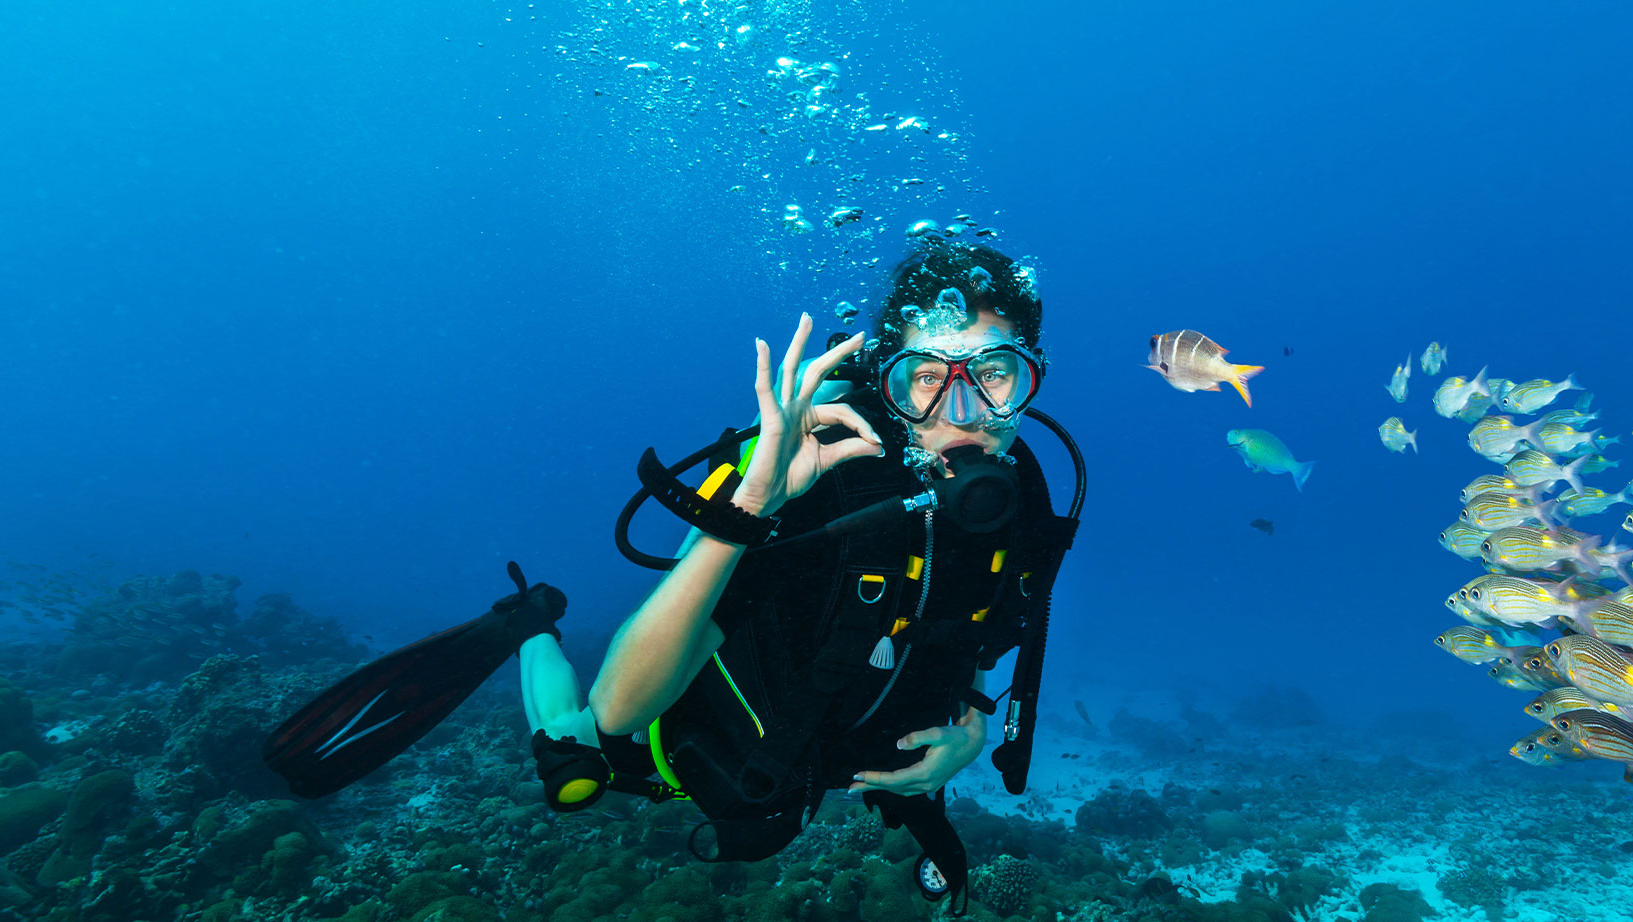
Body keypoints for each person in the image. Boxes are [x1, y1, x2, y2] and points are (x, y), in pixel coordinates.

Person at [263, 241, 1079, 905]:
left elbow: (986, 623)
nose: (962, 414)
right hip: (689, 735)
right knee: (579, 743)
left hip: (819, 747)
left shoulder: (1026, 494)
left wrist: (970, 724)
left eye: (995, 373)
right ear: (887, 383)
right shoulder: (810, 470)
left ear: (1030, 376)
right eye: (927, 378)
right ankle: (527, 624)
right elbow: (622, 708)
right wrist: (754, 502)